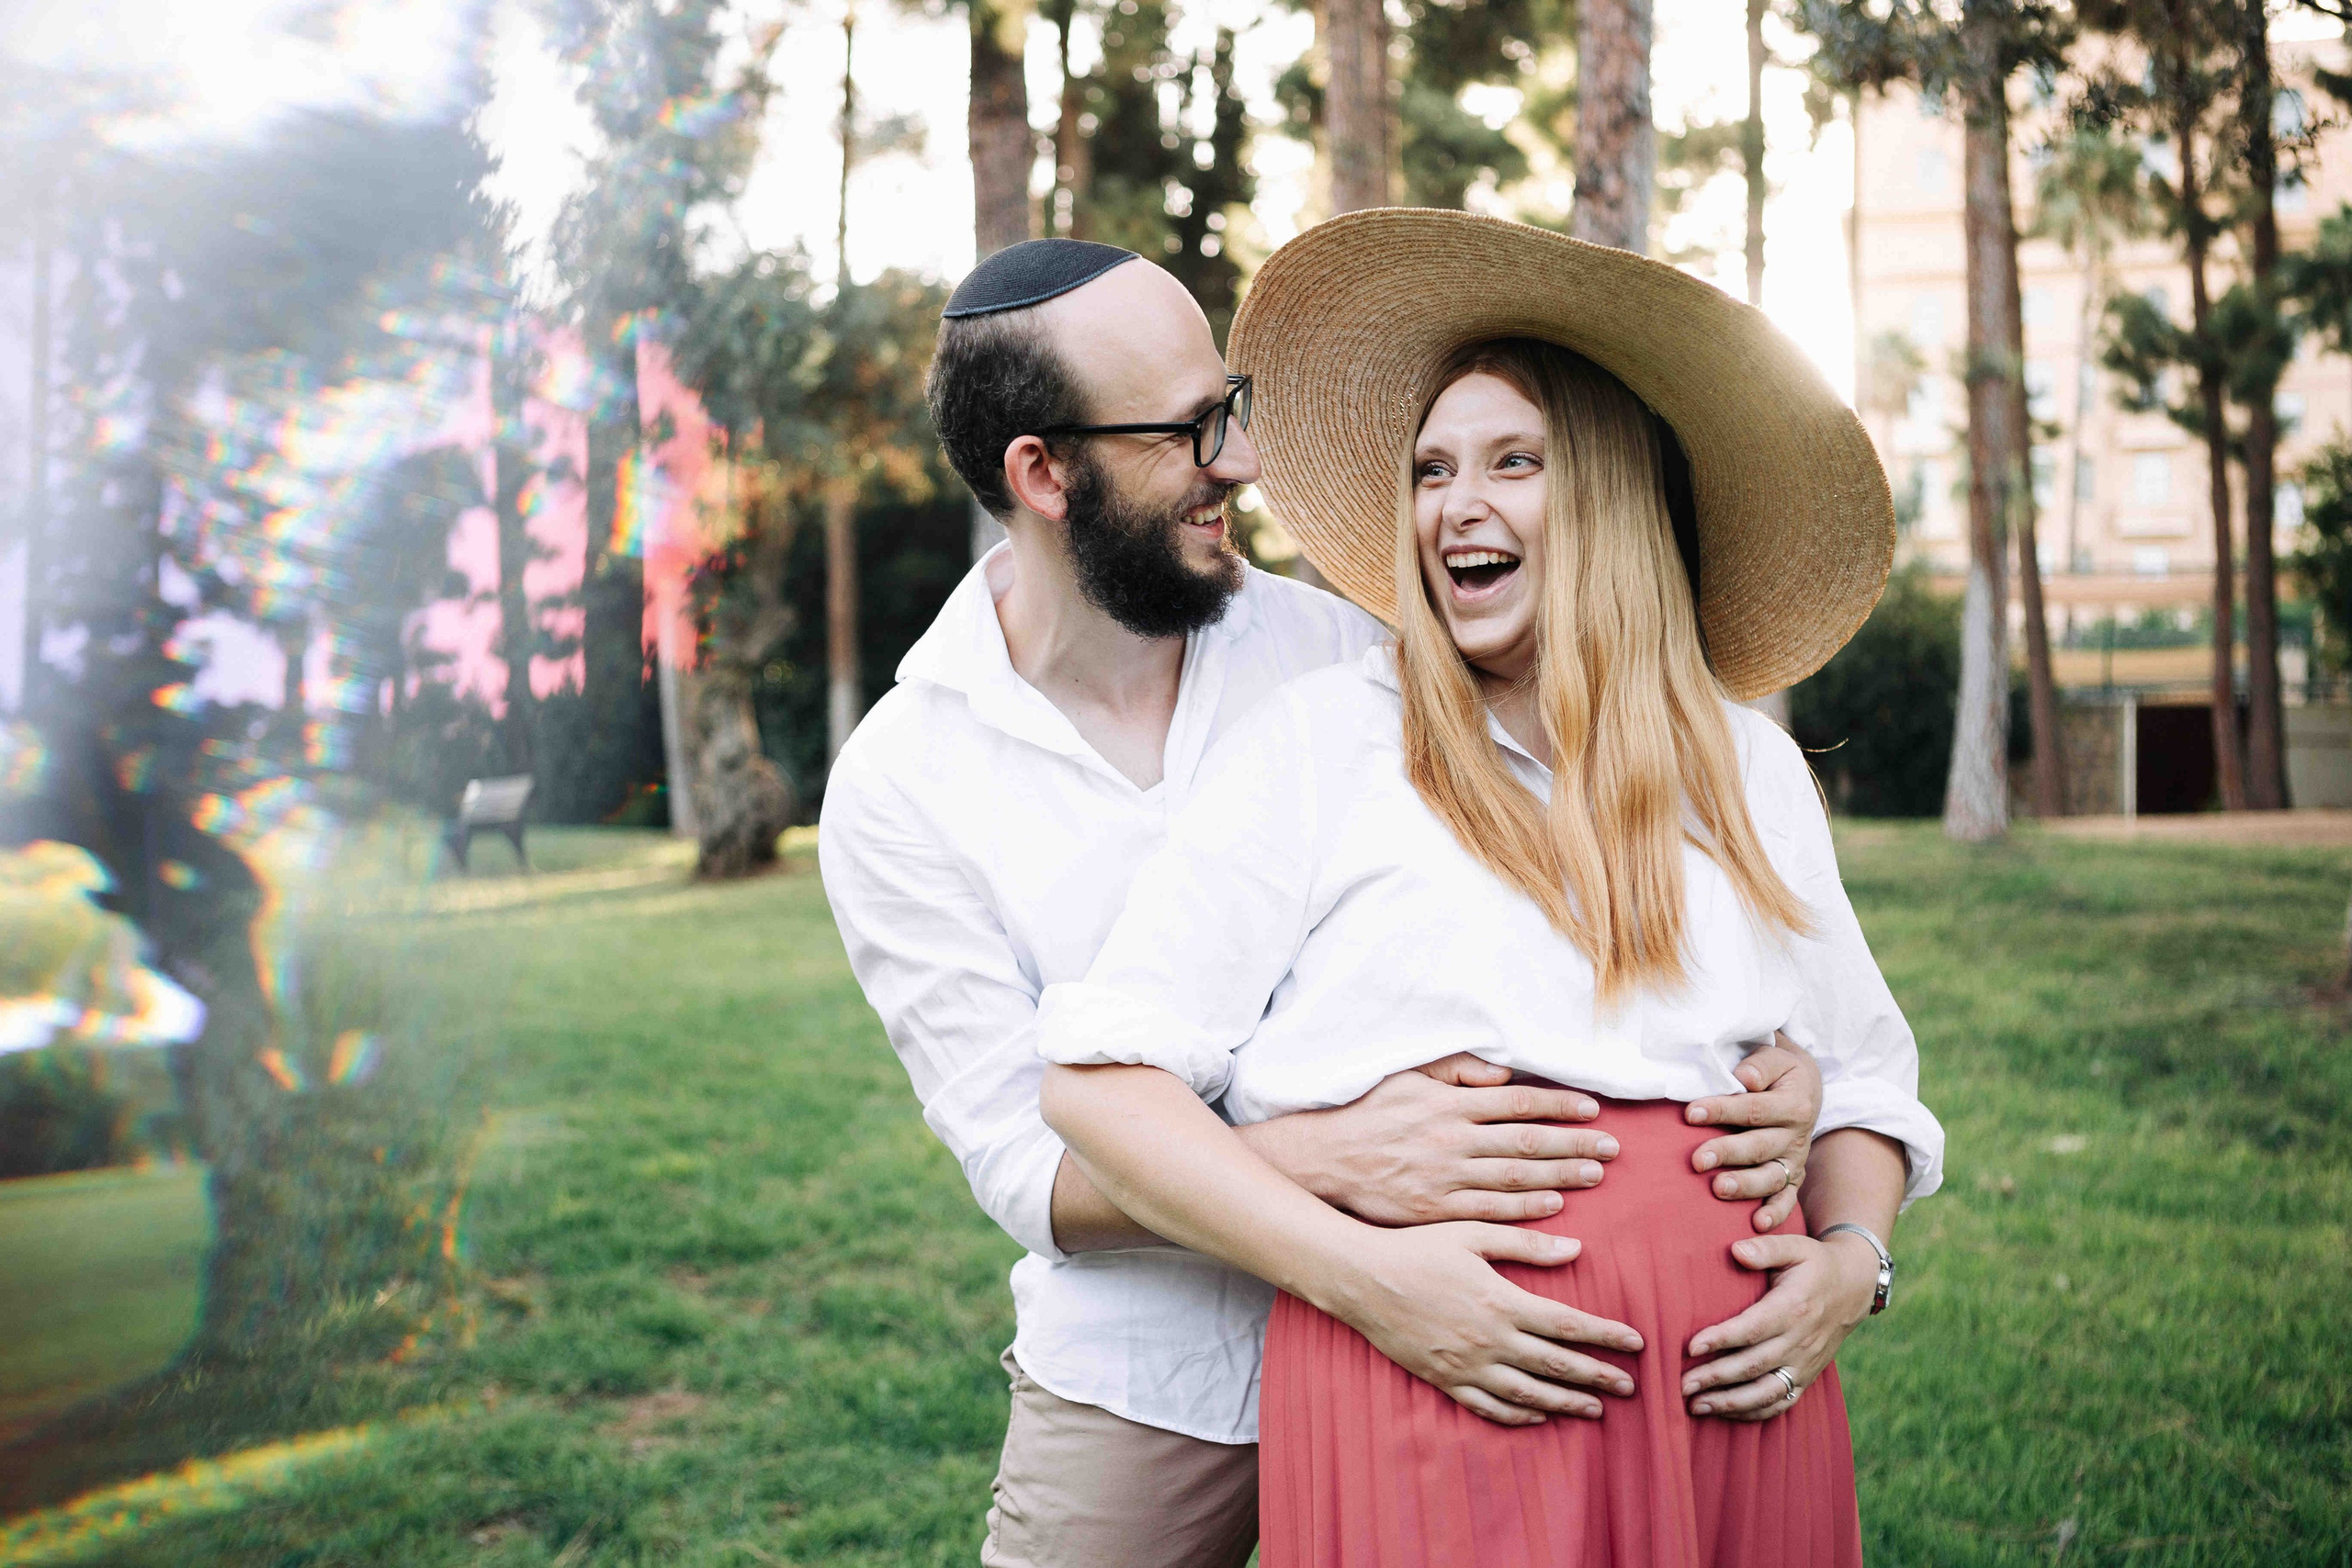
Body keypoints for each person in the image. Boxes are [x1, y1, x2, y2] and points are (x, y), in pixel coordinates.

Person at [819, 235, 1831, 1568]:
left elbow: (1586, 892)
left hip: (1475, 1332)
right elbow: (1030, 1162)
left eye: (1228, 410)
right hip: (1154, 1377)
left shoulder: (1346, 655)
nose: (1239, 462)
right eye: (1191, 431)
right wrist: (1333, 1165)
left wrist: (1790, 1076)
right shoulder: (904, 784)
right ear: (1043, 473)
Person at [1036, 210, 1945, 1567]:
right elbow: (1100, 1087)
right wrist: (1369, 1280)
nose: (1457, 506)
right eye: (1430, 470)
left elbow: (1863, 1086)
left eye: (1515, 461)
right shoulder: (1327, 742)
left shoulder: (1743, 766)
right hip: (1431, 1375)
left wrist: (1847, 1266)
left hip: (1735, 1403)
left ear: (1615, 498)